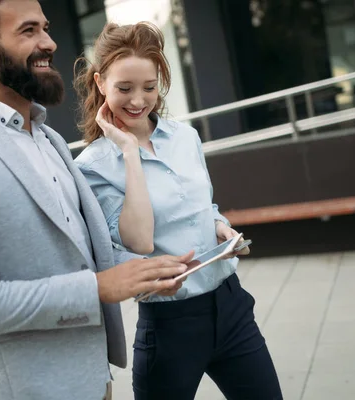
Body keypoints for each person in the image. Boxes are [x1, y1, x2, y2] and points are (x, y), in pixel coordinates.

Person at [0, 2, 192, 400]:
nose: (49, 42)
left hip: (96, 381)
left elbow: (79, 253)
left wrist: (151, 270)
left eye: (45, 28)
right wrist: (97, 288)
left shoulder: (49, 138)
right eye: (29, 31)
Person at [74, 22, 283, 400]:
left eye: (149, 88)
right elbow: (138, 240)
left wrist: (220, 228)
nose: (138, 100)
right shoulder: (92, 166)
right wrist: (128, 151)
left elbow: (204, 205)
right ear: (100, 82)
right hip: (170, 325)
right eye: (124, 88)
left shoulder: (185, 137)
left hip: (231, 305)